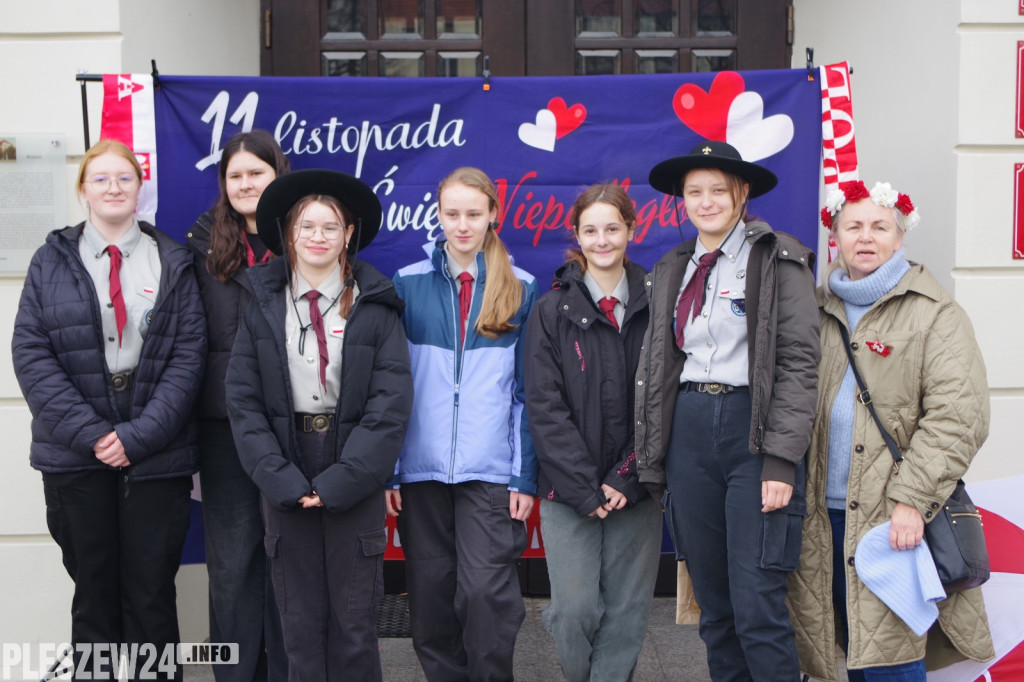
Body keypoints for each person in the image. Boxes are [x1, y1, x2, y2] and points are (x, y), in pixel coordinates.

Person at [12, 139, 206, 680]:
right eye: (100, 179)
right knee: (93, 592)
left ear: (140, 187)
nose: (113, 187)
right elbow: (31, 352)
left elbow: (188, 357)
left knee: (150, 593)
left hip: (156, 452)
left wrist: (138, 437)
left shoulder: (173, 259)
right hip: (75, 454)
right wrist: (94, 435)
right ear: (83, 191)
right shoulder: (51, 259)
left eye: (124, 177)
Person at [787, 181, 995, 681]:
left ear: (899, 237)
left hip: (892, 521)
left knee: (891, 660)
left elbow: (958, 417)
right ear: (834, 236)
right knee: (851, 652)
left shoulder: (935, 313)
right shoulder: (813, 310)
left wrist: (911, 501)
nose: (866, 237)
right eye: (853, 226)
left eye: (880, 227)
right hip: (821, 518)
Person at [635, 140, 820, 681]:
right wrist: (656, 452)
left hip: (751, 436)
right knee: (714, 606)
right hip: (690, 432)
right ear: (682, 201)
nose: (707, 201)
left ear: (742, 194)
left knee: (758, 602)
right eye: (695, 192)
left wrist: (782, 459)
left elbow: (799, 363)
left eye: (718, 190)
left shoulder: (779, 257)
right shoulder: (672, 266)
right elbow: (661, 366)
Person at [224, 169, 413, 681]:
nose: (318, 238)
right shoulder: (261, 304)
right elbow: (243, 402)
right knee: (299, 625)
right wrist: (283, 480)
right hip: (287, 463)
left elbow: (389, 405)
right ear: (289, 234)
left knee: (354, 623)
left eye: (330, 227)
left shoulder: (376, 305)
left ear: (348, 233)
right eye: (307, 227)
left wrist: (341, 481)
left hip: (353, 465)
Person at [386, 166, 538, 682]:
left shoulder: (521, 288)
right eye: (452, 214)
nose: (463, 225)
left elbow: (527, 394)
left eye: (474, 214)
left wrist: (523, 475)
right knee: (429, 596)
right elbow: (391, 387)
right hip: (421, 471)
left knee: (485, 594)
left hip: (490, 471)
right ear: (438, 215)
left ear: (493, 215)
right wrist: (391, 470)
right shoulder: (407, 284)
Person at [524, 183, 661, 681]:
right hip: (568, 491)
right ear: (576, 236)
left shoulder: (657, 304)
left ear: (630, 230)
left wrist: (625, 478)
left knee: (627, 613)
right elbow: (543, 404)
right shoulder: (550, 311)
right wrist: (584, 486)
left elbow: (661, 400)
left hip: (637, 487)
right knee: (574, 611)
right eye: (590, 230)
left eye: (612, 228)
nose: (602, 240)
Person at [185, 129, 289, 682]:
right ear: (224, 184)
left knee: (286, 557)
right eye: (236, 175)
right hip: (224, 428)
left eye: (257, 173)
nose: (247, 184)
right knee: (231, 562)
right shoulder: (201, 245)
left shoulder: (305, 233)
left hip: (294, 429)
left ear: (277, 175)